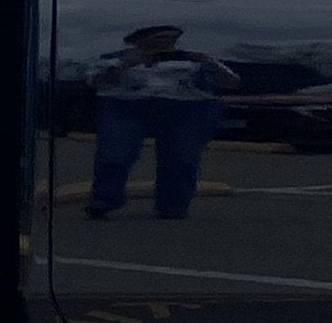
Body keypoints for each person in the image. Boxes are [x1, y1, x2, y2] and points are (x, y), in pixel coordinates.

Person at [87, 23, 234, 220]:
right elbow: (94, 81)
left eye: (169, 40)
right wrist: (125, 65)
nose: (164, 44)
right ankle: (104, 200)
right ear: (137, 41)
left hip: (186, 108)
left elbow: (231, 82)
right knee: (114, 153)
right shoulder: (114, 59)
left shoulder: (192, 60)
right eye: (157, 40)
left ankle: (173, 205)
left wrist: (210, 63)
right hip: (126, 106)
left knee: (182, 157)